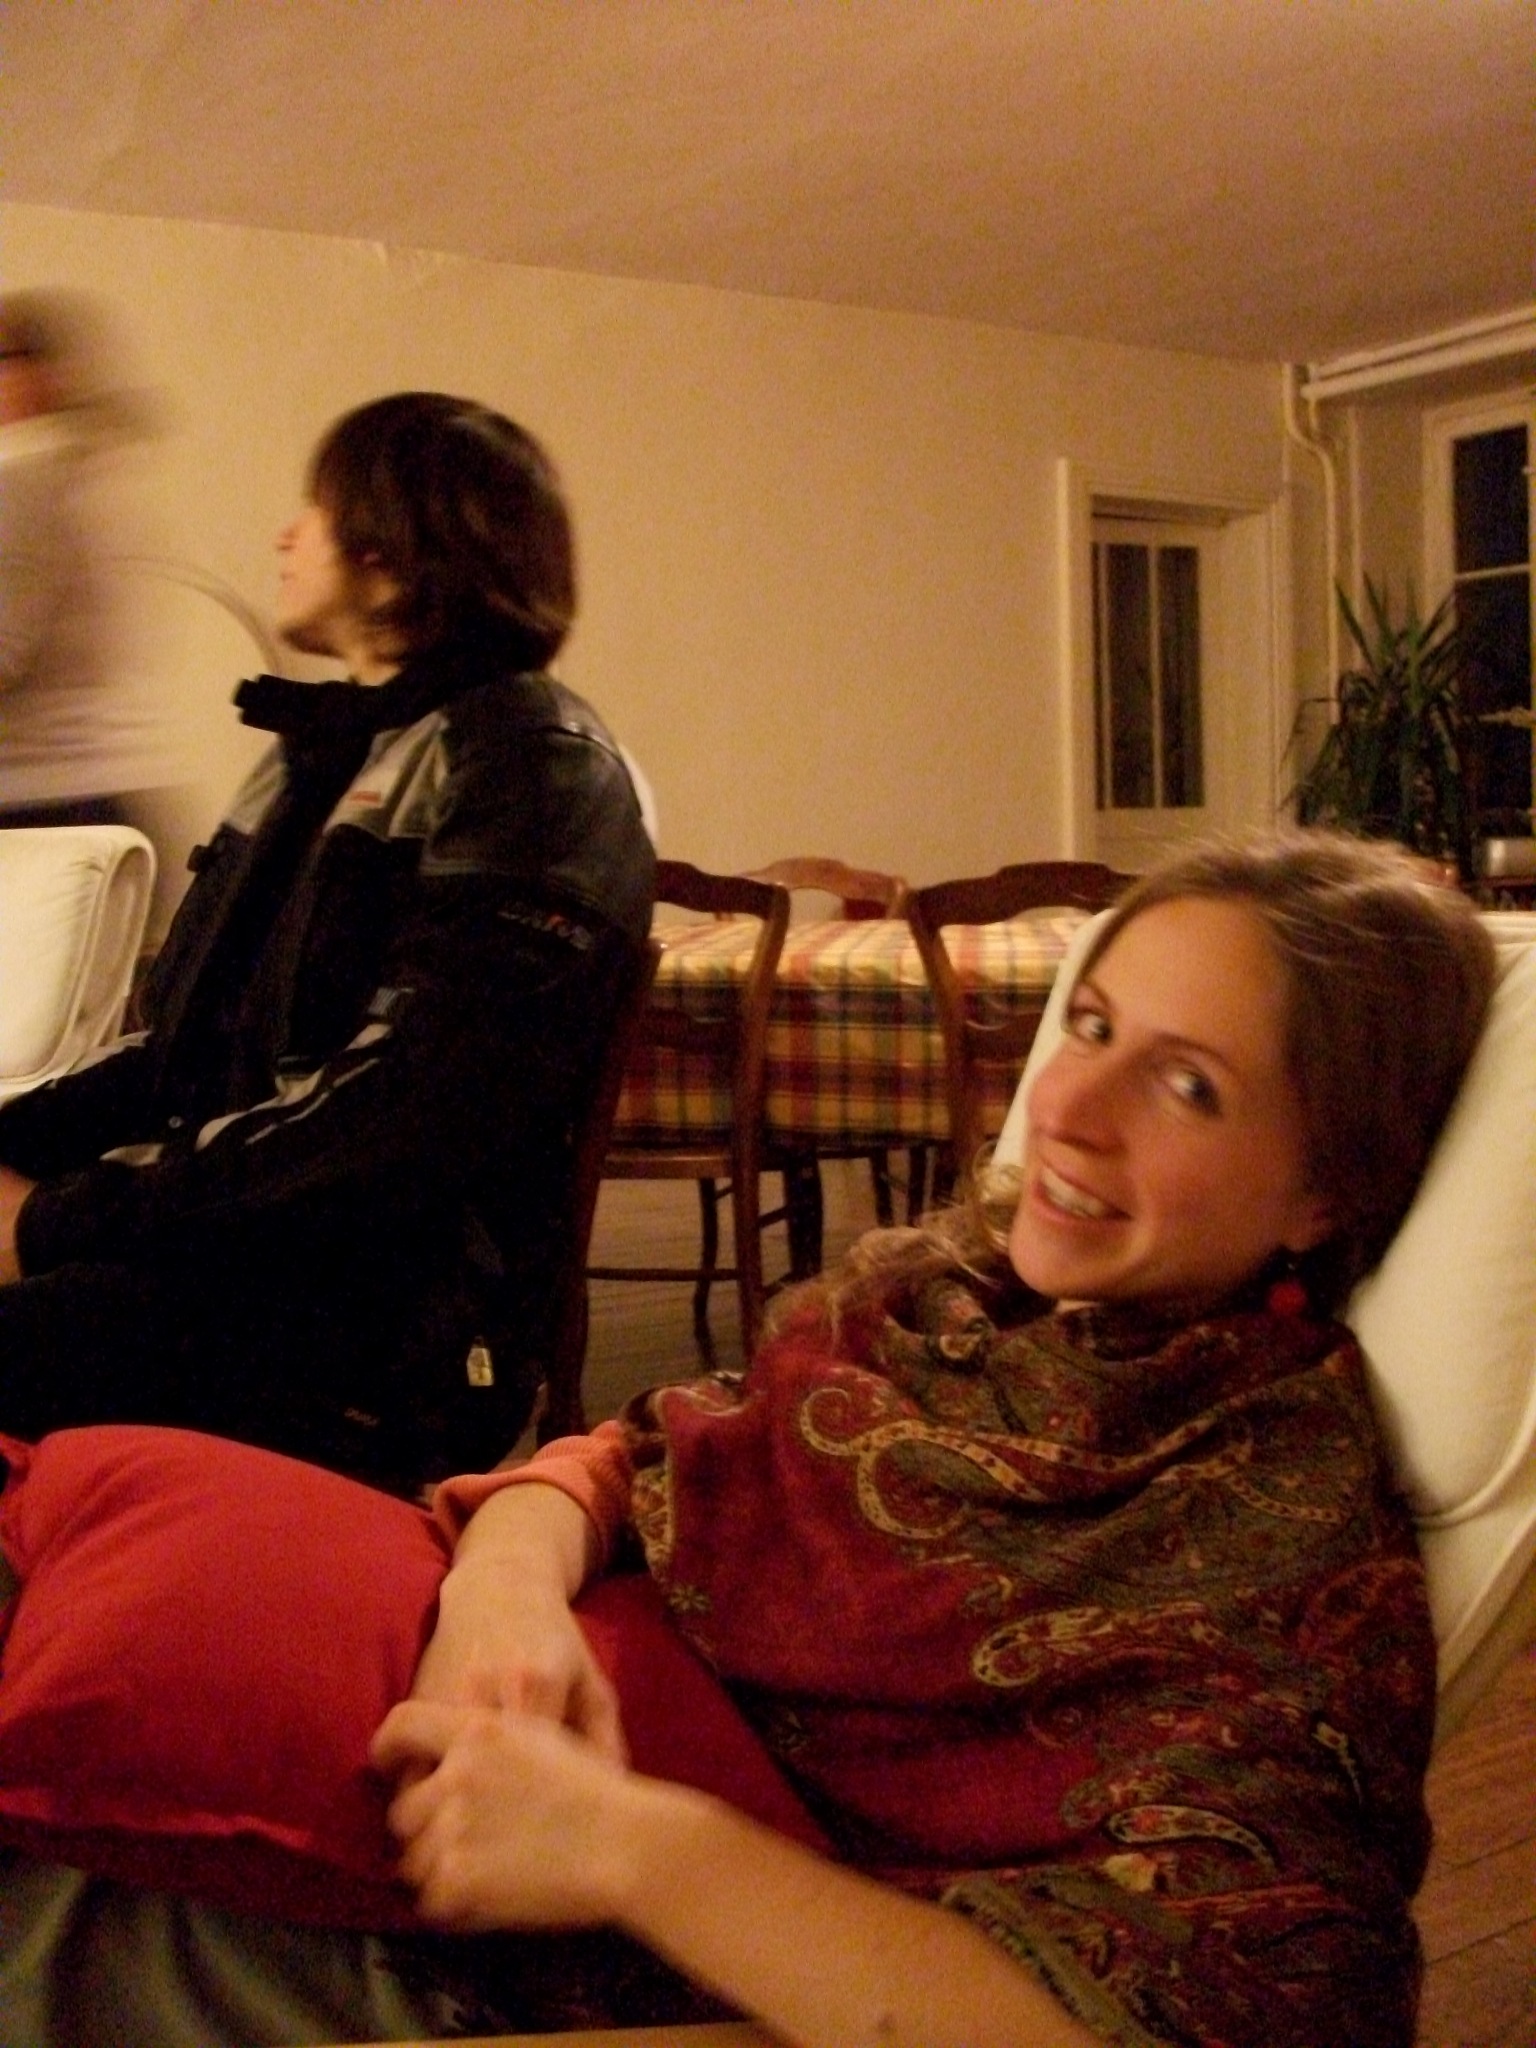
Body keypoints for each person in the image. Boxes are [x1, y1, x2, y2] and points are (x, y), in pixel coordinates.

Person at [0, 831, 1497, 2048]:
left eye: (1189, 1084)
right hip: (452, 1747)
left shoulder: (1271, 1536)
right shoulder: (957, 1297)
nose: (1070, 1111)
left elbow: (1243, 2011)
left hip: (510, 1971)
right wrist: (504, 1593)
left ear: (1329, 1187)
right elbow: (642, 1446)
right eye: (1090, 1025)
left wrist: (625, 1843)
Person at [0, 391, 656, 1488]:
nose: (284, 536)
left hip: (388, 1326)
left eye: (315, 508)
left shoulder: (531, 761)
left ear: (392, 547)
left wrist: (59, 1219)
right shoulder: (321, 750)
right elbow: (181, 1055)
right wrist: (15, 1145)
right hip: (241, 1257)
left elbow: (409, 1112)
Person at [0, 289, 164, 827]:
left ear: (40, 375)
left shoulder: (20, 478)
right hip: (82, 785)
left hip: (39, 796)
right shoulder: (64, 475)